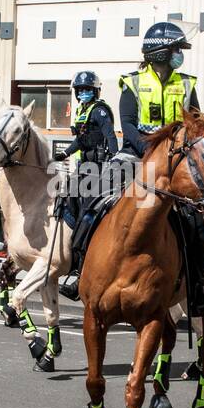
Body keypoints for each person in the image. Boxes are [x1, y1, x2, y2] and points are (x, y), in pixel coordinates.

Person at [114, 22, 204, 315]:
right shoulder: (132, 82)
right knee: (98, 196)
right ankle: (78, 267)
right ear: (159, 53)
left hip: (176, 164)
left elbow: (196, 124)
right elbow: (128, 125)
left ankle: (197, 287)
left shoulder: (186, 84)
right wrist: (151, 152)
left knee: (197, 221)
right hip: (137, 156)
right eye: (175, 50)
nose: (179, 55)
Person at [58, 71, 120, 301]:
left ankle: (82, 272)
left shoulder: (100, 110)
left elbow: (109, 136)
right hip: (83, 169)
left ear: (95, 92)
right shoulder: (82, 112)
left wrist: (114, 159)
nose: (83, 93)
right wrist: (64, 153)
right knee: (65, 204)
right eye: (80, 90)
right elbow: (81, 141)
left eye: (88, 90)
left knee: (87, 216)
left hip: (97, 171)